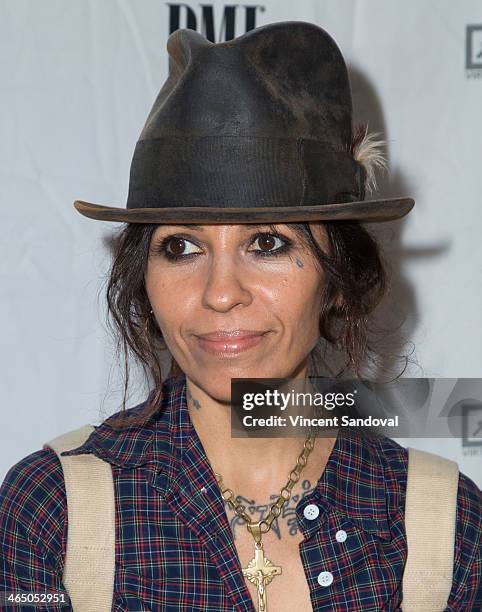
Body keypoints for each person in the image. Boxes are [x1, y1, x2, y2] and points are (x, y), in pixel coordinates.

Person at [1, 21, 480, 612]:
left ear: (337, 281)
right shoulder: (53, 510)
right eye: (181, 247)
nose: (220, 293)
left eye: (268, 244)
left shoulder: (442, 524)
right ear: (142, 278)